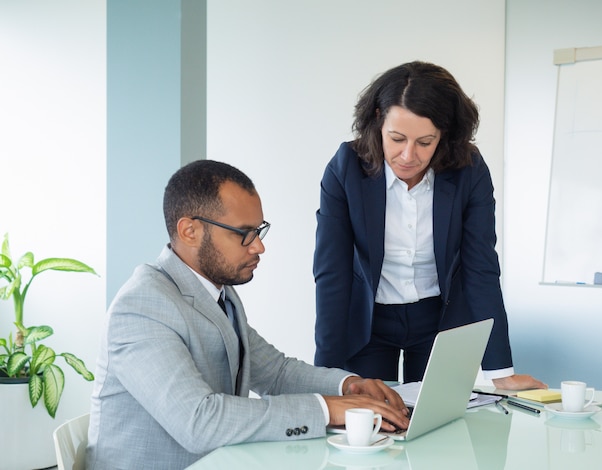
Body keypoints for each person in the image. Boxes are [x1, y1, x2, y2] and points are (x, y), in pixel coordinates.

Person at [86, 160, 409, 469]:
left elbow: (275, 373)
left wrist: (349, 386)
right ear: (189, 231)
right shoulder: (143, 307)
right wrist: (325, 410)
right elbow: (199, 421)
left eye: (259, 231)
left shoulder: (218, 293)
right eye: (243, 233)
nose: (258, 247)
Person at [313, 60, 546, 391]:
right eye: (396, 138)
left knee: (437, 423)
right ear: (377, 120)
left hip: (441, 320)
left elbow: (480, 269)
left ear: (445, 135)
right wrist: (327, 376)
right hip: (367, 323)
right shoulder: (345, 169)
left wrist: (500, 372)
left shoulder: (470, 171)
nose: (408, 155)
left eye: (425, 142)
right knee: (373, 421)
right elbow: (331, 274)